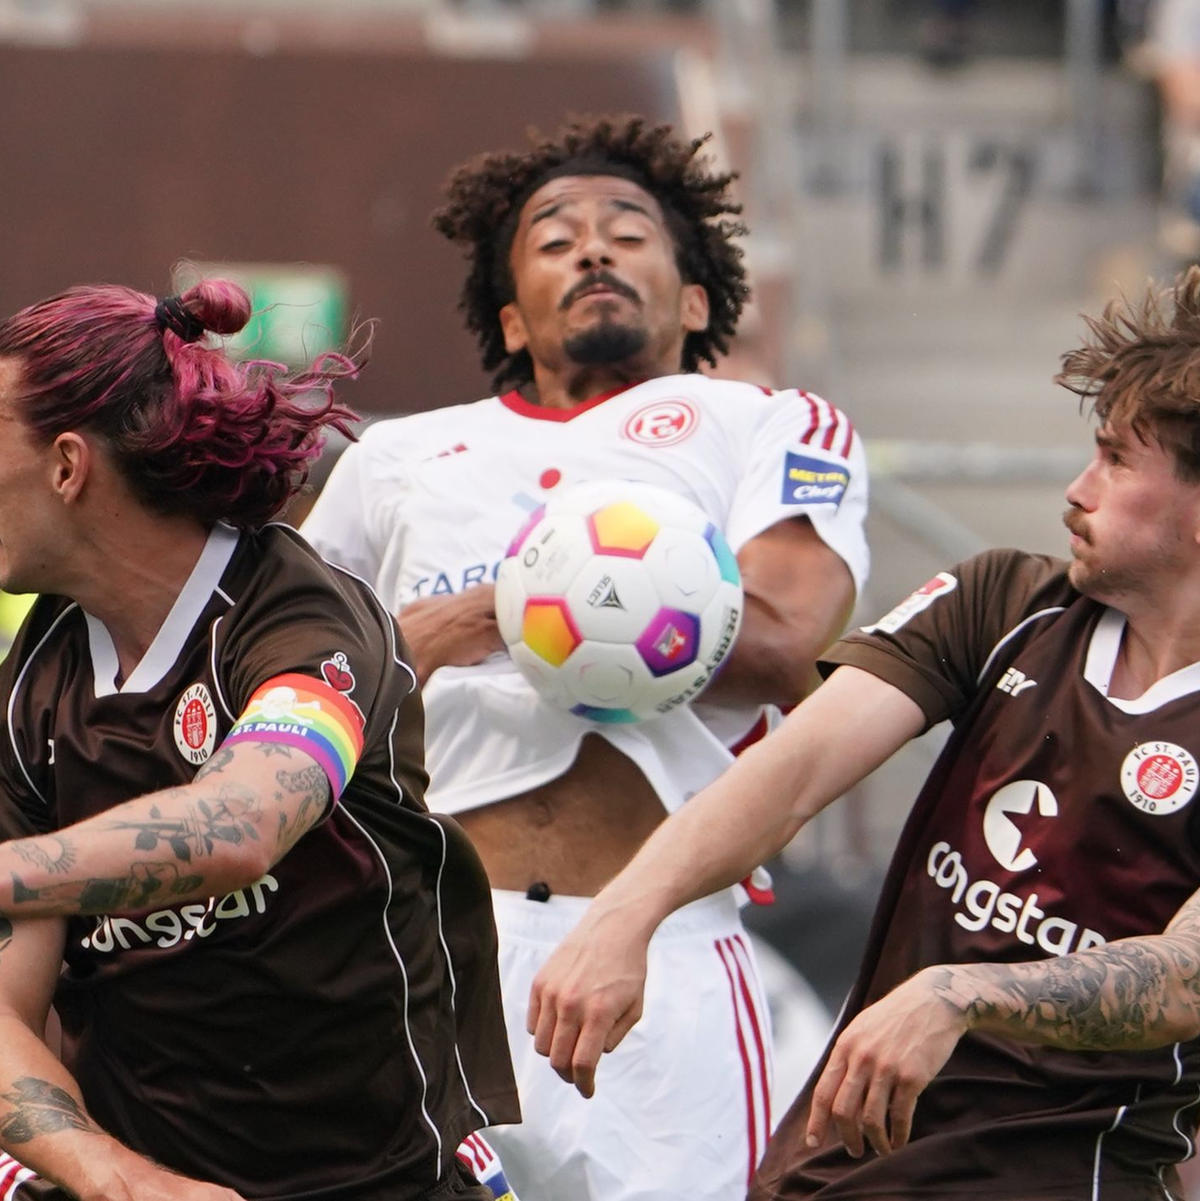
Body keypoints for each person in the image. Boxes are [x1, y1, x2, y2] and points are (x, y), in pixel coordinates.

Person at [528, 265, 1200, 1199]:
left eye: (1118, 461)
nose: (1078, 488)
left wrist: (962, 993)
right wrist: (625, 913)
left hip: (1062, 1176)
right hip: (843, 1161)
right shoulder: (1005, 600)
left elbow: (1185, 977)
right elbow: (794, 772)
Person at [301, 113, 869, 1201]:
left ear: (696, 299)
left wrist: (555, 609)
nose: (593, 250)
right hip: (431, 953)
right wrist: (474, 624)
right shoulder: (398, 459)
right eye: (555, 239)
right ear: (511, 317)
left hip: (661, 957)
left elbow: (793, 639)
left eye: (628, 233)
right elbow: (304, 682)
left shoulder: (768, 425)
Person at [0, 278, 518, 1200]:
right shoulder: (32, 681)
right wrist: (111, 1175)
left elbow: (241, 825)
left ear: (68, 465)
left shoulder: (299, 614)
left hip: (387, 1178)